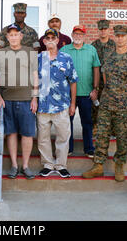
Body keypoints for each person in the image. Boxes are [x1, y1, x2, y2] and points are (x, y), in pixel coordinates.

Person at [83, 25, 127, 182]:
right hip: (106, 104)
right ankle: (98, 165)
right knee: (101, 136)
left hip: (124, 106)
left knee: (122, 138)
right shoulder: (108, 56)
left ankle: (119, 165)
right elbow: (105, 78)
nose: (120, 38)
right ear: (114, 37)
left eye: (123, 36)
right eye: (117, 36)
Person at [0, 23, 39, 180]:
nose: (13, 37)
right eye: (10, 35)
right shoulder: (1, 54)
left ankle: (25, 166)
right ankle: (14, 165)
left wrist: (35, 97)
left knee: (27, 134)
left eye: (16, 34)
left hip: (26, 99)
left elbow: (35, 76)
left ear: (21, 36)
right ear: (7, 37)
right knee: (11, 133)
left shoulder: (29, 52)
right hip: (7, 100)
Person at [37, 28, 78, 178]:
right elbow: (34, 82)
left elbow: (73, 82)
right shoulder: (38, 59)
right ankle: (48, 164)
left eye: (53, 38)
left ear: (57, 40)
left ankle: (61, 165)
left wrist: (73, 104)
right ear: (44, 41)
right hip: (43, 105)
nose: (50, 40)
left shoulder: (66, 58)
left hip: (62, 105)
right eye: (47, 38)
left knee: (63, 136)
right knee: (43, 138)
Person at [60, 25, 100, 158]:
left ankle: (89, 148)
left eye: (81, 34)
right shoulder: (65, 49)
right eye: (76, 34)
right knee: (67, 123)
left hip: (86, 93)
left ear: (84, 36)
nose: (78, 36)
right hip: (67, 94)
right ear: (72, 35)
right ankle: (68, 148)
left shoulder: (91, 50)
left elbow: (96, 69)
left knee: (87, 122)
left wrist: (95, 89)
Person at [91, 19, 116, 131]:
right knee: (94, 107)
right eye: (101, 29)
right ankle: (95, 129)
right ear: (98, 30)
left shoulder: (114, 45)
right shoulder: (93, 46)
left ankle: (111, 130)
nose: (103, 31)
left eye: (105, 29)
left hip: (110, 83)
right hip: (96, 82)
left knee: (110, 107)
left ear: (108, 30)